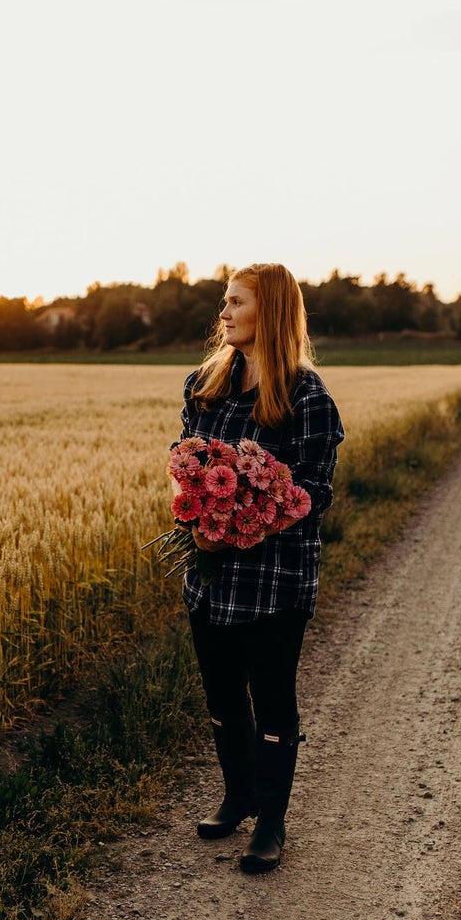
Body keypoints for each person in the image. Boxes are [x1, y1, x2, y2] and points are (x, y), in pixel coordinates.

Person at [171, 263, 345, 873]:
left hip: (275, 578)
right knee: (221, 693)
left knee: (272, 699)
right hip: (211, 576)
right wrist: (201, 522)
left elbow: (315, 493)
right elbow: (188, 462)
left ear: (267, 312)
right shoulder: (204, 384)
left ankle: (271, 821)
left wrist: (244, 523)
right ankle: (238, 794)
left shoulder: (307, 397)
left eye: (235, 302)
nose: (222, 313)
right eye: (224, 301)